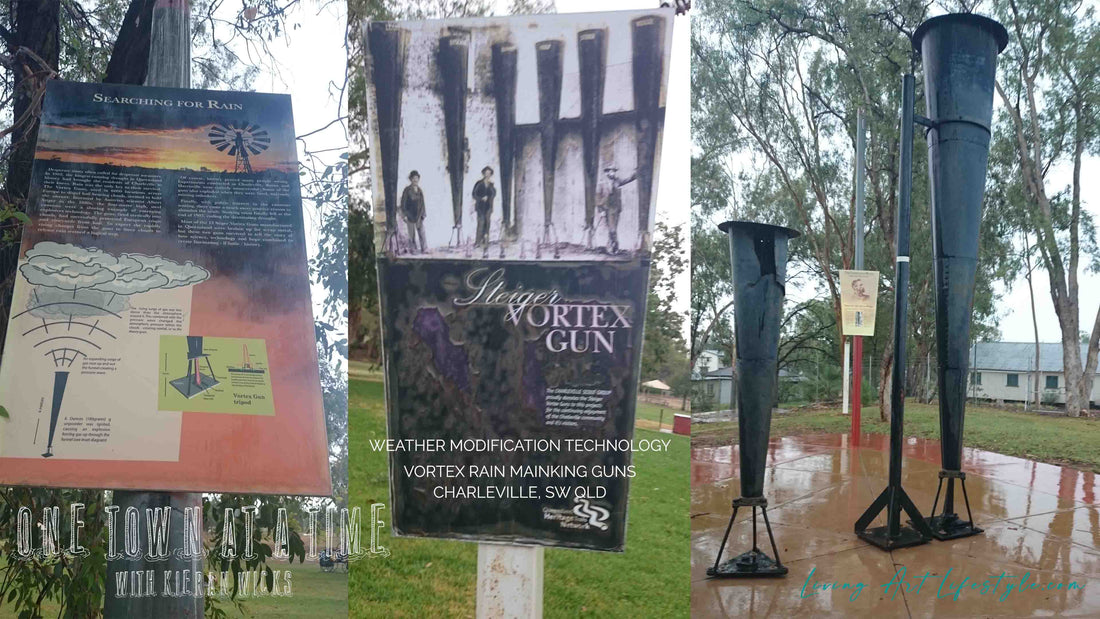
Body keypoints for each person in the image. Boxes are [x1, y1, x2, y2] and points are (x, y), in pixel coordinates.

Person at [597, 165, 636, 253]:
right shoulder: (601, 184)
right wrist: (601, 210)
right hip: (607, 209)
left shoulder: (617, 181)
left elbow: (628, 179)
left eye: (614, 171)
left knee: (614, 229)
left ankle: (613, 248)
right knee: (612, 229)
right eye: (611, 171)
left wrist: (636, 173)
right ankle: (613, 247)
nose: (613, 173)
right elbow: (598, 198)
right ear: (607, 173)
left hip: (616, 208)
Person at [400, 170, 427, 253]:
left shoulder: (420, 191)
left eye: (417, 178)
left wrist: (423, 213)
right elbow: (403, 203)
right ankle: (413, 249)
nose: (415, 180)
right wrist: (404, 214)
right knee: (411, 234)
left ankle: (424, 248)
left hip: (418, 215)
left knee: (422, 232)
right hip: (410, 214)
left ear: (418, 179)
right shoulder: (407, 190)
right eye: (413, 178)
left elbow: (422, 203)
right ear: (410, 179)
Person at [473, 166, 496, 248]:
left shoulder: (491, 185)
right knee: (481, 223)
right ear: (483, 174)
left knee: (487, 224)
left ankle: (485, 241)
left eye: (489, 173)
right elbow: (474, 194)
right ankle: (477, 242)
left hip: (488, 207)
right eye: (486, 173)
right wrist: (481, 198)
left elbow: (493, 194)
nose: (487, 175)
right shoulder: (479, 184)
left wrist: (489, 196)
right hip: (480, 207)